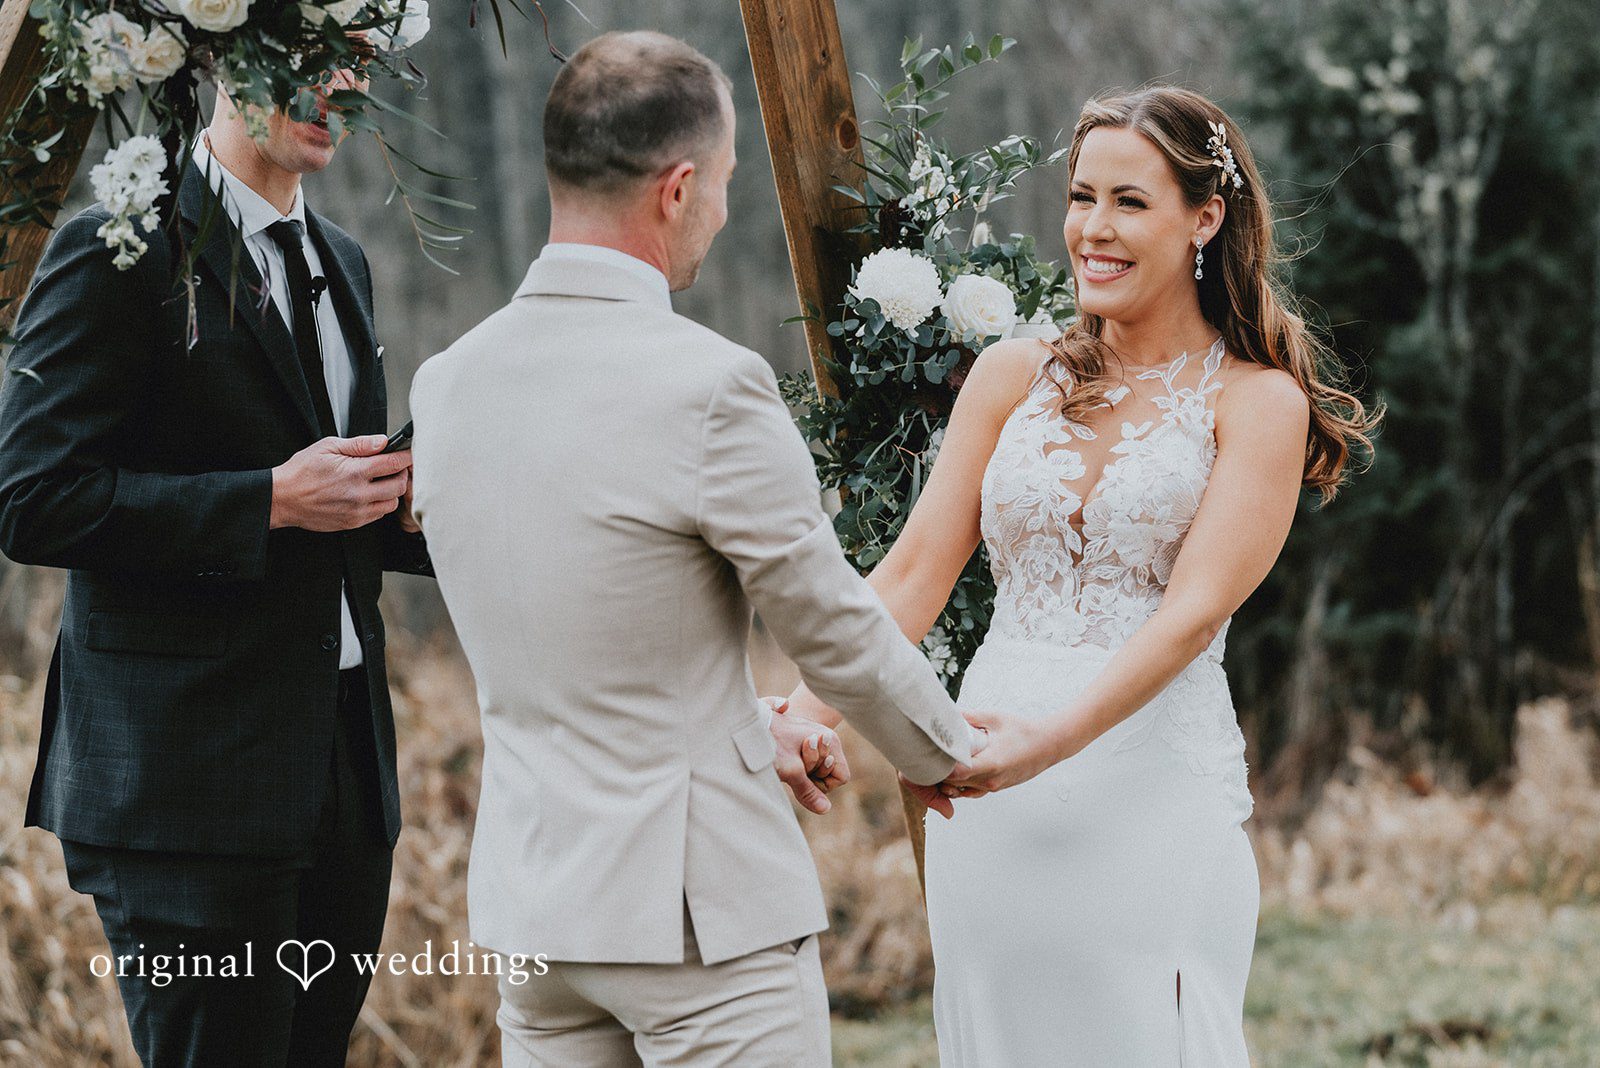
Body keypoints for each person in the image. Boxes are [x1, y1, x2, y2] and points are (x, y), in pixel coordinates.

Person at [407, 30, 993, 1067]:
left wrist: (733, 723)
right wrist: (948, 753)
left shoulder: (447, 385)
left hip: (538, 915)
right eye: (721, 184)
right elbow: (830, 629)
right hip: (696, 922)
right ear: (677, 189)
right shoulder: (707, 387)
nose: (722, 214)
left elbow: (587, 635)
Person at [783, 85, 1380, 1064]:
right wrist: (806, 707)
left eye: (1129, 202)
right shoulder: (1010, 376)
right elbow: (915, 572)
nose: (1092, 229)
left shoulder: (1257, 403)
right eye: (1081, 196)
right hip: (982, 788)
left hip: (1148, 794)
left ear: (1204, 218)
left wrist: (1049, 744)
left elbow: (1187, 617)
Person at [0, 60, 433, 1066]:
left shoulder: (342, 259)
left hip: (341, 772)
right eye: (315, 57)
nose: (343, 87)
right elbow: (31, 499)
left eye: (360, 64)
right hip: (184, 787)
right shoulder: (120, 245)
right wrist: (269, 500)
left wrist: (433, 507)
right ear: (230, 57)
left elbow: (339, 511)